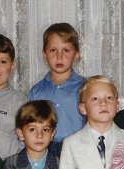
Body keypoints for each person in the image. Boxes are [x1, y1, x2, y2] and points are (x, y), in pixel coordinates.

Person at [28, 22, 86, 157]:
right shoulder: (36, 92)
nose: (59, 56)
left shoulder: (86, 87)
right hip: (45, 150)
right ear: (44, 54)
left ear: (76, 54)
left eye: (66, 50)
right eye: (53, 50)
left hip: (78, 149)